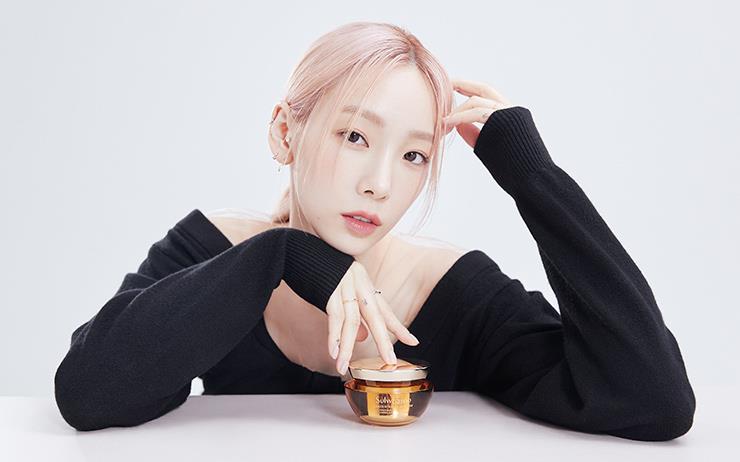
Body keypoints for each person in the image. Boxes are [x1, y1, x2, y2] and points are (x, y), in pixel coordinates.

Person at [54, 21, 695, 441]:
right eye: (355, 136)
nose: (381, 184)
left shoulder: (453, 291)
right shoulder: (217, 251)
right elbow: (89, 393)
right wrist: (283, 255)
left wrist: (533, 178)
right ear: (285, 132)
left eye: (414, 155)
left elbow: (653, 401)